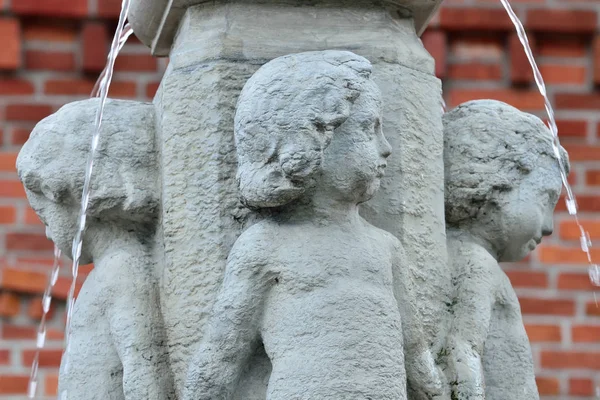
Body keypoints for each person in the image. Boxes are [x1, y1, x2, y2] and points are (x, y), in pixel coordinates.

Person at [183, 50, 445, 400]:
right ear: (312, 141)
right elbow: (221, 355)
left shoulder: (385, 248)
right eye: (370, 129)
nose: (387, 148)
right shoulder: (266, 245)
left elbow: (415, 351)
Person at [17, 99, 175, 400]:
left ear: (74, 197)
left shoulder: (123, 269)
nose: (48, 231)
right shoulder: (111, 269)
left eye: (45, 215)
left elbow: (144, 373)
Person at [442, 100, 568, 400]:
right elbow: (462, 351)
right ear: (498, 183)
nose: (549, 226)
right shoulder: (477, 264)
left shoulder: (472, 259)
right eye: (544, 200)